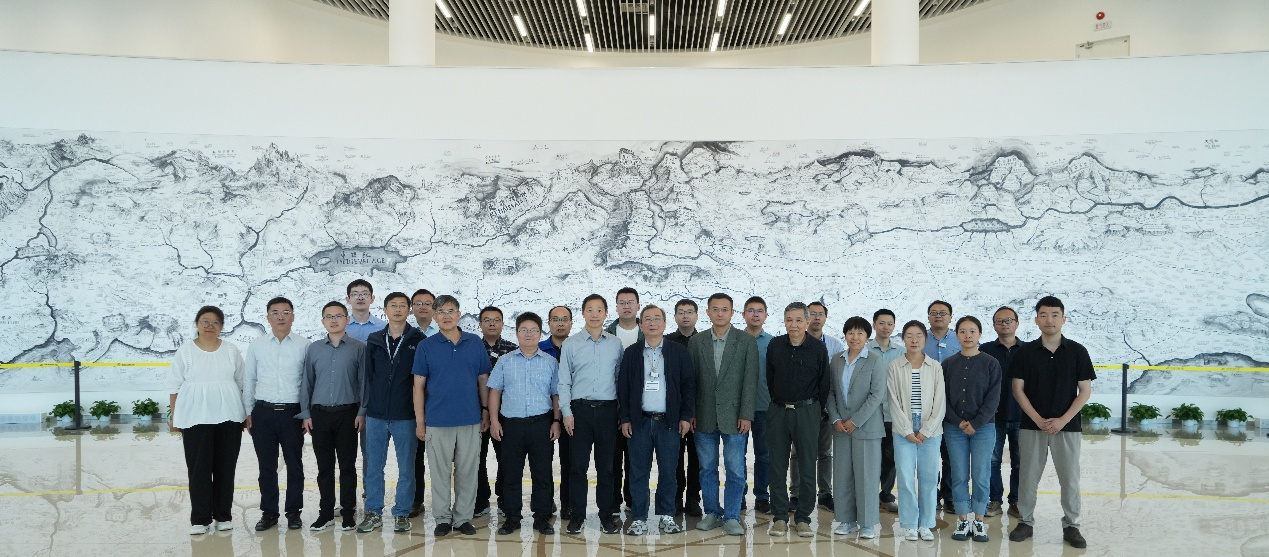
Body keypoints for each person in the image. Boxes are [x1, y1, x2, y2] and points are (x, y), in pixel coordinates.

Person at [1008, 296, 1094, 549]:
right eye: (1044, 315)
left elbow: (1085, 391)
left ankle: (1071, 525)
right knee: (1028, 477)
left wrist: (1062, 420)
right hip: (1031, 426)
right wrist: (1038, 419)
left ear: (1063, 319)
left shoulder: (1078, 351)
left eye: (1055, 315)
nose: (1049, 320)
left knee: (1070, 478)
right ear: (1036, 320)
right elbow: (1017, 389)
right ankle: (1025, 521)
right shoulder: (1025, 352)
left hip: (1068, 427)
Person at [413, 295, 492, 537]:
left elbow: (483, 379)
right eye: (440, 312)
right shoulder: (426, 346)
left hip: (470, 419)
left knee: (468, 472)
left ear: (458, 314)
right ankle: (442, 518)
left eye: (450, 311)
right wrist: (420, 422)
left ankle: (462, 518)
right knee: (440, 474)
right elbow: (418, 386)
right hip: (437, 421)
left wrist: (486, 410)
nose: (446, 316)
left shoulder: (474, 343)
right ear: (434, 317)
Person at [618, 305, 696, 535]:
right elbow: (623, 387)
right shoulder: (632, 352)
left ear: (664, 323)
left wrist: (685, 416)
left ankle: (666, 516)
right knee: (638, 472)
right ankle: (639, 518)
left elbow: (688, 385)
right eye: (647, 319)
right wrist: (625, 418)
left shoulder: (677, 351)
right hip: (639, 422)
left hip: (669, 422)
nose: (652, 323)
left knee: (669, 472)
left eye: (657, 318)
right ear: (641, 325)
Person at [170, 306, 247, 535]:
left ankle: (223, 516)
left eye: (215, 322)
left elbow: (242, 382)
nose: (210, 326)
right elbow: (174, 386)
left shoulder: (231, 350)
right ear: (197, 324)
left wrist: (246, 414)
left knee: (226, 468)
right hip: (195, 417)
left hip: (230, 416)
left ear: (221, 327)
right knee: (198, 469)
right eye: (205, 321)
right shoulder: (185, 351)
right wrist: (175, 417)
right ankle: (200, 519)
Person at [688, 293, 759, 537]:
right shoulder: (697, 342)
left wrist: (746, 414)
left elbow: (750, 381)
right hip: (703, 415)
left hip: (735, 416)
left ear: (732, 312)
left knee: (735, 469)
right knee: (707, 468)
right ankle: (712, 512)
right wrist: (691, 412)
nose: (720, 313)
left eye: (724, 309)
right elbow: (691, 381)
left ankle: (731, 516)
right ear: (708, 312)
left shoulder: (745, 341)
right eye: (715, 309)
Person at [488, 312, 561, 536]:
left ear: (540, 333)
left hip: (541, 424)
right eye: (524, 330)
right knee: (511, 473)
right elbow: (494, 392)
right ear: (517, 333)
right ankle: (512, 518)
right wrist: (494, 421)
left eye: (533, 330)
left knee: (542, 473)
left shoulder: (550, 362)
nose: (529, 334)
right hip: (511, 426)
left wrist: (556, 421)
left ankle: (542, 517)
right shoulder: (505, 361)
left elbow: (556, 395)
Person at [356, 292, 423, 534]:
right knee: (374, 467)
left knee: (406, 468)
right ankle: (373, 512)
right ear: (385, 310)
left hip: (405, 415)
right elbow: (368, 377)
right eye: (393, 305)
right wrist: (365, 410)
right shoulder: (375, 339)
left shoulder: (419, 340)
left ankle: (401, 513)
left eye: (402, 305)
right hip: (376, 415)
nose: (397, 309)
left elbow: (421, 380)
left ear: (409, 310)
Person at [558, 294, 624, 535]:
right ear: (583, 313)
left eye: (599, 310)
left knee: (607, 468)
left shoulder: (615, 344)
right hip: (580, 412)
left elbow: (619, 379)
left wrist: (621, 412)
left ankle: (606, 515)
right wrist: (566, 413)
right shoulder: (571, 344)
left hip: (608, 411)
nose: (594, 314)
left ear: (606, 313)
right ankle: (577, 516)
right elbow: (564, 381)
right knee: (578, 467)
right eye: (589, 309)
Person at [242, 297, 310, 531]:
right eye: (275, 312)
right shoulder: (257, 345)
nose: (281, 316)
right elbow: (249, 379)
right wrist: (248, 411)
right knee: (266, 467)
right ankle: (269, 513)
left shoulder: (304, 345)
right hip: (263, 413)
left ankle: (294, 512)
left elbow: (308, 382)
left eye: (286, 312)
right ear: (268, 317)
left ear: (293, 316)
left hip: (292, 414)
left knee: (295, 465)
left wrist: (306, 413)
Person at [298, 301, 365, 531]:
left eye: (338, 316)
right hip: (320, 416)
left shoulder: (358, 348)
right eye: (329, 316)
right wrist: (306, 413)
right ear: (323, 321)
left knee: (347, 467)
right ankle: (325, 513)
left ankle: (348, 513)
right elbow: (307, 382)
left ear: (347, 319)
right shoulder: (314, 349)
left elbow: (364, 383)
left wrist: (362, 412)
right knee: (324, 467)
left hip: (348, 414)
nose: (334, 320)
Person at [765, 302, 829, 538]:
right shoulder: (775, 345)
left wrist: (815, 411)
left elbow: (824, 383)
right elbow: (770, 378)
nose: (793, 325)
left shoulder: (817, 348)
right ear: (784, 321)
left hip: (807, 412)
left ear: (807, 322)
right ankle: (780, 517)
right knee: (777, 466)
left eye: (799, 320)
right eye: (789, 320)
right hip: (779, 411)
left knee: (807, 467)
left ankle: (803, 518)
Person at [826, 316, 888, 539]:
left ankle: (867, 523)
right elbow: (830, 392)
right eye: (851, 332)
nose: (855, 337)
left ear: (867, 337)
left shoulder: (874, 360)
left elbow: (877, 394)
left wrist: (855, 421)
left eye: (860, 333)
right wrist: (835, 418)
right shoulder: (836, 360)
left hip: (866, 428)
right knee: (843, 475)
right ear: (845, 335)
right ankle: (846, 520)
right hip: (841, 428)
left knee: (866, 476)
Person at [942, 316, 1001, 543]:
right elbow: (943, 398)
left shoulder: (991, 363)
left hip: (983, 428)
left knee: (981, 474)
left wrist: (975, 423)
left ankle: (978, 520)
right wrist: (957, 421)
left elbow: (993, 398)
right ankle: (962, 520)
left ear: (979, 334)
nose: (968, 335)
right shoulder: (948, 364)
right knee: (958, 475)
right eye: (963, 331)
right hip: (954, 428)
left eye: (972, 331)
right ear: (956, 334)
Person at [888, 320, 946, 542]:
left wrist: (927, 430)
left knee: (929, 478)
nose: (914, 340)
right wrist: (906, 430)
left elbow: (940, 401)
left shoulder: (935, 366)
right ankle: (910, 524)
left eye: (919, 335)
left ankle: (926, 524)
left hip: (931, 430)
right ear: (903, 339)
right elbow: (893, 401)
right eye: (909, 336)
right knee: (905, 478)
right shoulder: (895, 366)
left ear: (925, 338)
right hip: (903, 429)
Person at [981, 306, 1024, 519]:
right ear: (994, 325)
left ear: (1017, 324)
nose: (1004, 324)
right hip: (993, 417)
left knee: (1020, 462)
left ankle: (1016, 501)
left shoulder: (1028, 350)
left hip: (1022, 416)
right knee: (992, 461)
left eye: (1009, 320)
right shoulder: (985, 350)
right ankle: (994, 500)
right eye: (1000, 321)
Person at [801, 301, 843, 512]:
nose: (817, 317)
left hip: (825, 409)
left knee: (825, 453)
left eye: (820, 314)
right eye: (813, 314)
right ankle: (797, 494)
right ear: (806, 317)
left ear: (825, 318)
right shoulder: (796, 341)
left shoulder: (835, 345)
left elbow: (838, 378)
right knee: (798, 453)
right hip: (801, 408)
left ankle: (825, 494)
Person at [476, 305, 518, 518]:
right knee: (477, 458)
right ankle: (480, 500)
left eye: (496, 320)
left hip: (506, 413)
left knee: (506, 458)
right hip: (477, 413)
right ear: (480, 324)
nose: (492, 324)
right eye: (487, 320)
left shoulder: (513, 349)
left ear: (502, 323)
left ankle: (504, 499)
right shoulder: (473, 348)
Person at [606, 287, 642, 512]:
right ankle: (612, 502)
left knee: (635, 458)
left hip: (639, 407)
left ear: (638, 306)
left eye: (630, 302)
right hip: (611, 405)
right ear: (616, 306)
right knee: (612, 458)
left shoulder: (649, 333)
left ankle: (632, 500)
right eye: (622, 302)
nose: (626, 306)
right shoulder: (606, 334)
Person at [666, 298, 703, 517]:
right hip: (674, 411)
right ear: (675, 317)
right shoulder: (667, 341)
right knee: (675, 457)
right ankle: (676, 498)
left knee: (697, 459)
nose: (685, 316)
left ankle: (693, 499)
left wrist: (694, 411)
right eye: (681, 312)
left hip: (700, 411)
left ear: (697, 316)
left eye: (689, 312)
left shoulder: (704, 341)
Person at [539, 305, 574, 520]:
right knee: (543, 461)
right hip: (545, 413)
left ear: (571, 323)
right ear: (549, 323)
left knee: (569, 461)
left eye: (564, 319)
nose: (560, 323)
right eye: (555, 319)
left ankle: (568, 504)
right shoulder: (539, 349)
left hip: (571, 413)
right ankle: (546, 501)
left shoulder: (578, 347)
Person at [866, 309, 903, 514]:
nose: (885, 327)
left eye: (889, 323)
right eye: (881, 323)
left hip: (891, 412)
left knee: (891, 456)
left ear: (894, 326)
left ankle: (885, 496)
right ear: (874, 325)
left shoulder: (901, 352)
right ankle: (868, 495)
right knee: (870, 456)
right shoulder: (864, 349)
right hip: (869, 414)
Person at [926, 300, 960, 512]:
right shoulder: (920, 338)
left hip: (954, 406)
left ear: (950, 317)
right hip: (927, 406)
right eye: (934, 312)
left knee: (950, 454)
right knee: (929, 455)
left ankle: (949, 495)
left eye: (943, 313)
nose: (938, 316)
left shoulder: (960, 339)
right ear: (928, 316)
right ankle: (931, 495)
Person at [743, 296, 774, 516]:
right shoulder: (735, 340)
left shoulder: (773, 343)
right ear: (743, 314)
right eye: (751, 310)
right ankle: (739, 496)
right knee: (738, 456)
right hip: (739, 409)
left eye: (759, 311)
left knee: (764, 455)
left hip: (765, 407)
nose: (755, 314)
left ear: (766, 315)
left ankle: (762, 496)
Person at [408, 288, 436, 519]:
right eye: (418, 303)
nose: (423, 307)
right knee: (415, 456)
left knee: (446, 459)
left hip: (439, 403)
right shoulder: (406, 334)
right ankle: (416, 500)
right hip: (414, 403)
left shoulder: (446, 332)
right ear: (412, 308)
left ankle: (450, 503)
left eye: (428, 303)